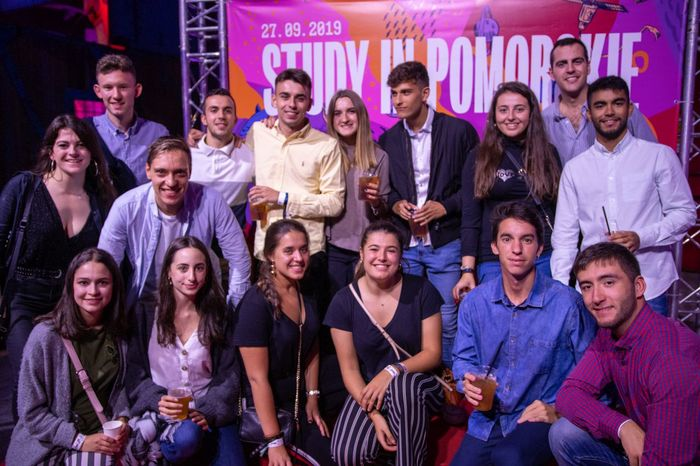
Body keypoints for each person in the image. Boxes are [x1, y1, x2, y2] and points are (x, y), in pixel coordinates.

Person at [451, 201, 596, 466]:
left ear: (540, 248)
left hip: (539, 415)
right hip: (489, 419)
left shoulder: (567, 304)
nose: (516, 249)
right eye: (507, 239)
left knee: (510, 458)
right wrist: (466, 382)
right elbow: (463, 359)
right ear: (494, 246)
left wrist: (559, 410)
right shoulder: (475, 302)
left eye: (526, 240)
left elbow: (592, 376)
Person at [551, 76, 696, 316]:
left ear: (629, 109)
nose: (609, 112)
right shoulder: (575, 169)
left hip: (648, 283)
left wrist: (642, 237)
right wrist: (561, 287)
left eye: (617, 103)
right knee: (595, 344)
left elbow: (685, 213)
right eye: (600, 105)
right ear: (589, 114)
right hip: (595, 289)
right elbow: (565, 237)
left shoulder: (659, 156)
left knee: (651, 343)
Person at [0, 114, 115, 416]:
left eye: (80, 144)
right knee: (28, 377)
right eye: (63, 145)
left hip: (72, 304)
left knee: (66, 384)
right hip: (24, 299)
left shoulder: (100, 198)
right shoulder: (25, 187)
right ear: (50, 151)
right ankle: (25, 442)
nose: (72, 151)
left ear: (91, 152)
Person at [549, 242, 700, 465]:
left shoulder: (671, 361)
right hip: (646, 446)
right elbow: (569, 394)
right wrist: (622, 426)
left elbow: (665, 461)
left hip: (673, 458)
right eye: (587, 286)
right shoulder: (610, 334)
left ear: (638, 287)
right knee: (564, 433)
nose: (596, 297)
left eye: (608, 282)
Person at [379, 60, 479, 366]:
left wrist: (445, 207)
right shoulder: (389, 139)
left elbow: (476, 188)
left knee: (447, 318)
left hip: (445, 243)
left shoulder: (459, 131)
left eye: (405, 92)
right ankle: (416, 382)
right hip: (406, 245)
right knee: (409, 319)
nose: (398, 100)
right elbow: (386, 190)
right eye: (394, 93)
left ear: (425, 93)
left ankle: (449, 381)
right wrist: (395, 204)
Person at [325, 220, 444, 466]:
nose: (382, 257)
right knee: (347, 454)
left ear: (400, 256)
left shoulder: (422, 290)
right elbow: (349, 370)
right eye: (374, 249)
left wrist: (392, 371)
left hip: (419, 383)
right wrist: (374, 415)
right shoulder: (343, 301)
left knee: (403, 386)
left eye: (391, 250)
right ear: (361, 253)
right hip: (371, 389)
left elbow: (433, 353)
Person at [125, 236, 245, 465]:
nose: (192, 277)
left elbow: (229, 374)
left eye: (199, 268)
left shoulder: (219, 313)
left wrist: (208, 409)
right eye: (183, 268)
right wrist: (157, 399)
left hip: (208, 412)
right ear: (168, 273)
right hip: (163, 413)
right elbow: (134, 372)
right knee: (186, 439)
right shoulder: (145, 313)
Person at [7, 248, 130, 466]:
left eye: (102, 282)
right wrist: (78, 440)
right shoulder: (45, 337)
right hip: (50, 447)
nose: (93, 291)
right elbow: (31, 412)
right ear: (71, 285)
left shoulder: (118, 334)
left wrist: (122, 418)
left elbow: (119, 389)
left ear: (114, 286)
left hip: (101, 437)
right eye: (83, 282)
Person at [98, 136, 251, 310]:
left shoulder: (211, 200)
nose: (171, 182)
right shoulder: (125, 207)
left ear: (190, 172)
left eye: (179, 173)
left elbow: (239, 257)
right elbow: (105, 266)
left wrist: (235, 308)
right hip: (146, 303)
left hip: (199, 303)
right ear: (148, 171)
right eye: (161, 172)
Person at [246, 68, 345, 313]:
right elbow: (233, 154)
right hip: (266, 251)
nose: (291, 104)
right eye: (285, 96)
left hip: (307, 254)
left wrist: (283, 198)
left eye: (299, 98)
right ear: (273, 100)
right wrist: (198, 140)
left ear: (310, 103)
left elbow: (334, 203)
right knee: (267, 324)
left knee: (309, 325)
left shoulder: (326, 145)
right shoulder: (258, 132)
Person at [234, 220, 333, 465]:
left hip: (299, 398)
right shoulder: (256, 304)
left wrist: (312, 396)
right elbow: (256, 379)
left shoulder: (304, 289)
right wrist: (274, 440)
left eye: (303, 249)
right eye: (288, 251)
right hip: (269, 408)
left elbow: (311, 344)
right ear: (270, 255)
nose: (298, 258)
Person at [453, 81, 561, 299]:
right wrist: (467, 270)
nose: (510, 116)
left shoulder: (548, 153)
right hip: (493, 260)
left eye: (519, 109)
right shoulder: (479, 156)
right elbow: (470, 218)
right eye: (503, 110)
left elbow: (559, 211)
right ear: (494, 116)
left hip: (542, 257)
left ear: (531, 114)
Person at [542, 37, 656, 166]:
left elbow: (652, 157)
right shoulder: (543, 121)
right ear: (551, 73)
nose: (570, 69)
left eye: (577, 61)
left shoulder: (620, 109)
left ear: (588, 67)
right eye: (562, 64)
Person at [325, 89, 390, 296]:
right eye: (337, 113)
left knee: (364, 308)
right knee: (335, 308)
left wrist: (376, 202)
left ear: (361, 115)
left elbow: (384, 213)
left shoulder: (378, 156)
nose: (344, 118)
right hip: (332, 248)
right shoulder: (324, 153)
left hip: (366, 250)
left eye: (351, 111)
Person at [89, 54, 169, 193]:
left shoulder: (158, 133)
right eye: (108, 87)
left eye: (123, 87)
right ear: (98, 91)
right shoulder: (87, 131)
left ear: (137, 90)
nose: (116, 95)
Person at [189, 88, 254, 228]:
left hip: (232, 239)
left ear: (235, 119)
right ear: (204, 119)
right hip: (193, 238)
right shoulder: (187, 156)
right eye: (214, 110)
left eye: (227, 111)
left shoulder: (249, 155)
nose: (221, 116)